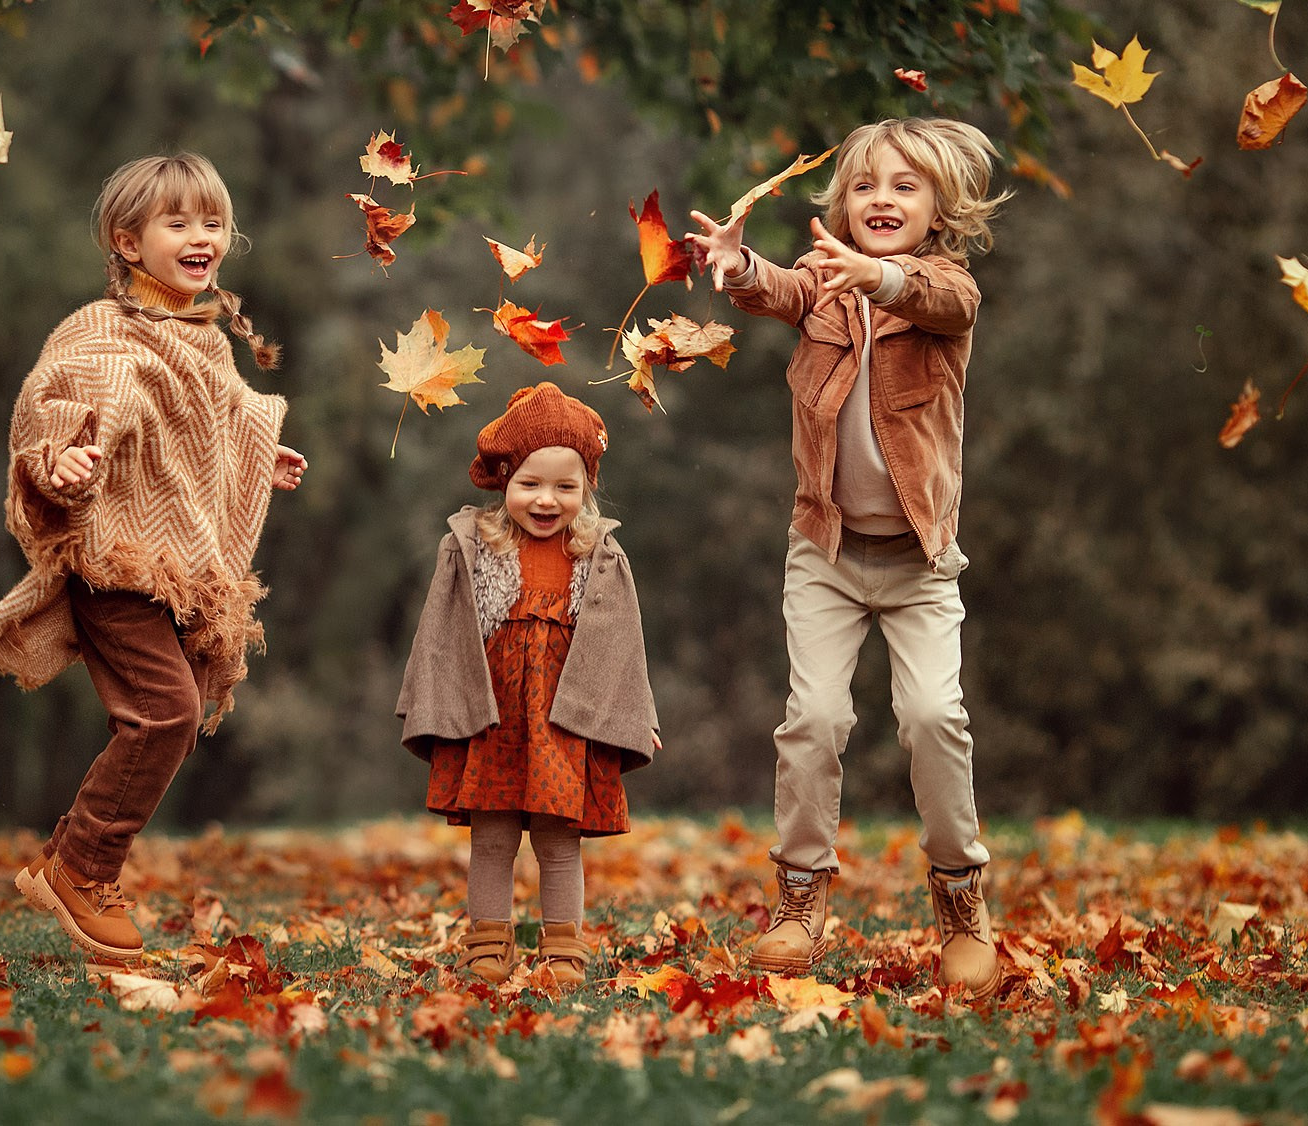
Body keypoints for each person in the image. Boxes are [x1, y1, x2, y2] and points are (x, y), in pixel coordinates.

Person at [0, 152, 306, 968]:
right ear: (130, 243)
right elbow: (67, 398)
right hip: (116, 563)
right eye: (179, 222)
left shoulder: (204, 340)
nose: (201, 236)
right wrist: (61, 458)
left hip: (173, 566)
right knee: (164, 713)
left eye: (212, 221)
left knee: (172, 713)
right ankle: (81, 867)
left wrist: (258, 455)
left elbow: (213, 424)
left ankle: (71, 857)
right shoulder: (103, 332)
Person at [687, 118, 1009, 999]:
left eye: (904, 188)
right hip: (825, 553)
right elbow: (780, 292)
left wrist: (882, 278)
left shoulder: (945, 286)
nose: (881, 201)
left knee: (933, 717)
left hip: (918, 564)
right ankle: (799, 899)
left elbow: (945, 302)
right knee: (816, 719)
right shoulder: (828, 291)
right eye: (866, 187)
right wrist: (739, 264)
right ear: (841, 204)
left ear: (940, 208)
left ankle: (960, 902)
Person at [396, 384, 660, 988]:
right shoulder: (468, 549)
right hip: (492, 716)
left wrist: (632, 716)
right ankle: (488, 944)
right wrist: (431, 707)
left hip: (564, 717)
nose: (547, 500)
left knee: (558, 840)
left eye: (565, 487)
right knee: (492, 837)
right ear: (503, 481)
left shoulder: (599, 557)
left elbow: (622, 647)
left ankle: (564, 950)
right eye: (530, 484)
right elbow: (440, 636)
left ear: (587, 489)